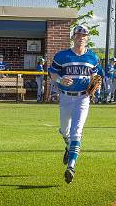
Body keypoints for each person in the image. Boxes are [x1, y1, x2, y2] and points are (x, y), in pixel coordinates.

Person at [48, 25, 100, 184]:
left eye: (84, 35)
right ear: (73, 37)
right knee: (64, 130)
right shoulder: (62, 56)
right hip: (65, 97)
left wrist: (94, 87)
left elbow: (96, 77)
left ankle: (71, 166)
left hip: (83, 98)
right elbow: (52, 72)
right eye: (78, 34)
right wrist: (59, 79)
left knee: (77, 131)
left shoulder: (93, 58)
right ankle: (68, 147)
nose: (81, 37)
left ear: (88, 38)